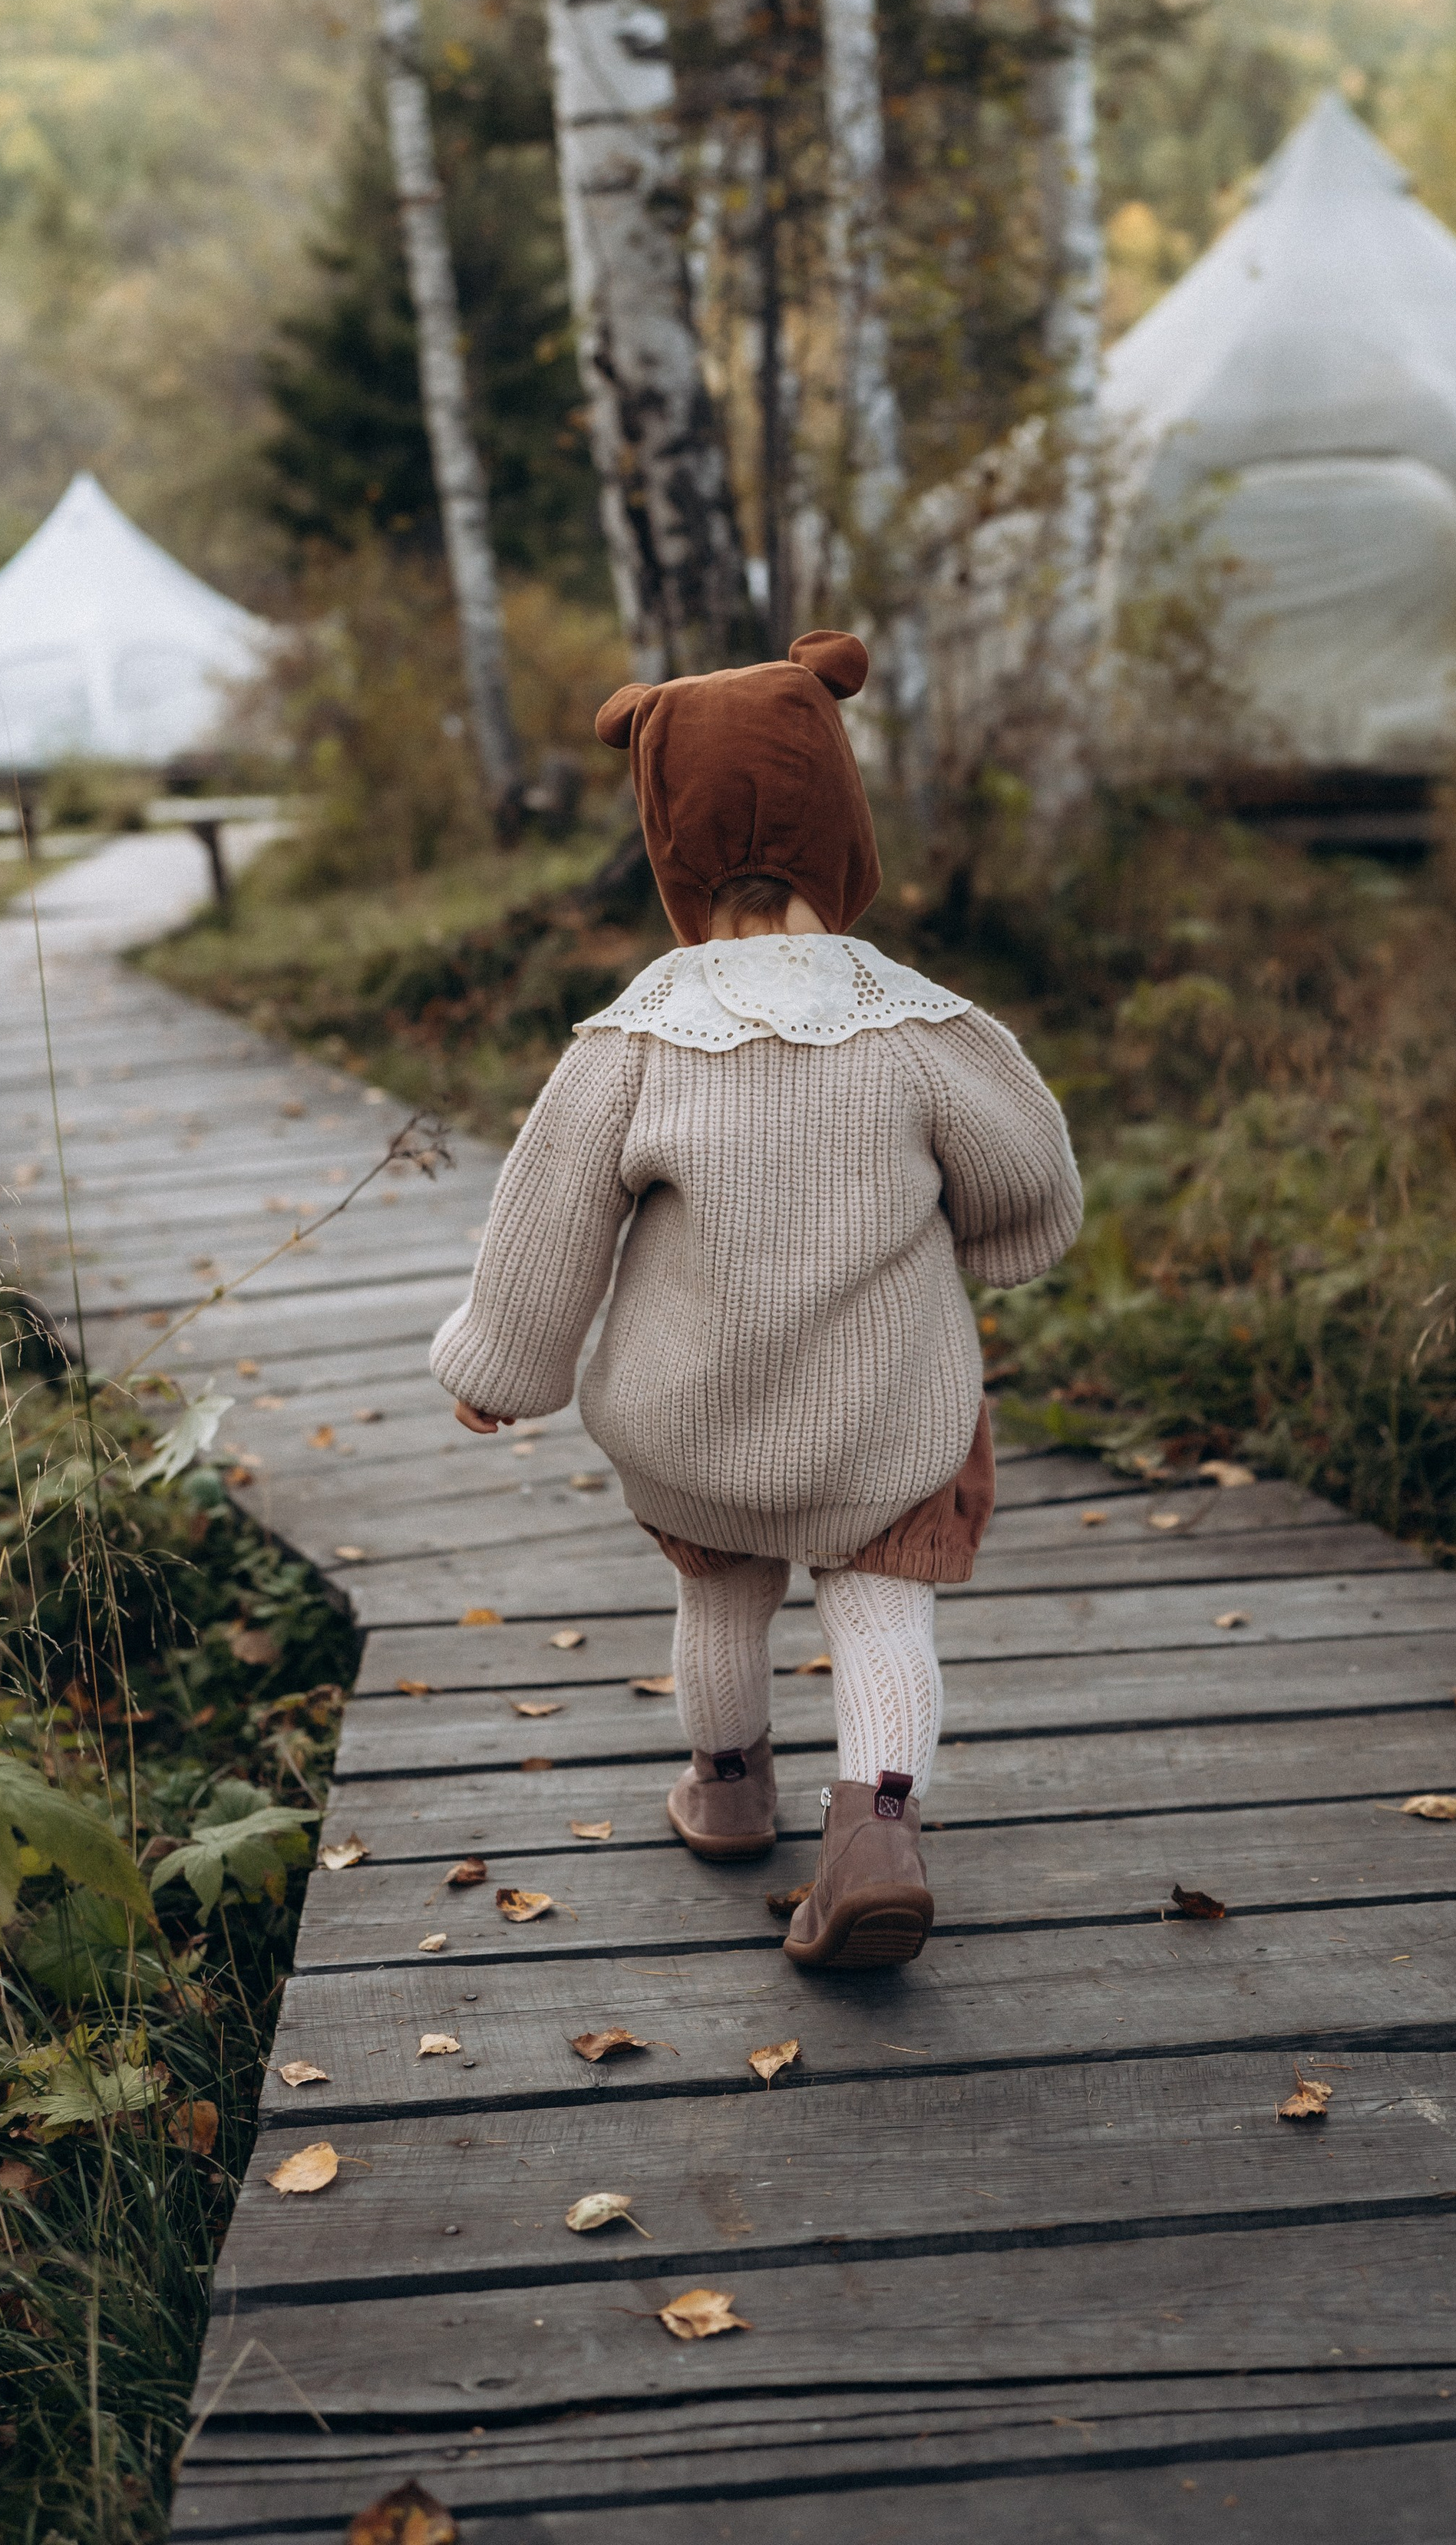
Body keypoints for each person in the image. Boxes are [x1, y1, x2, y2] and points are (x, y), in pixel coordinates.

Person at [430, 630, 1081, 1969]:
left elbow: (547, 1222)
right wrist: (991, 1237)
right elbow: (1030, 1175)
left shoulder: (631, 1038)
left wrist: (499, 1365)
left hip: (692, 1419)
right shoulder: (924, 1023)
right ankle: (878, 1835)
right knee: (881, 1605)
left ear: (668, 846)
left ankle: (729, 1786)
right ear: (844, 823)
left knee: (724, 1600)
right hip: (887, 1417)